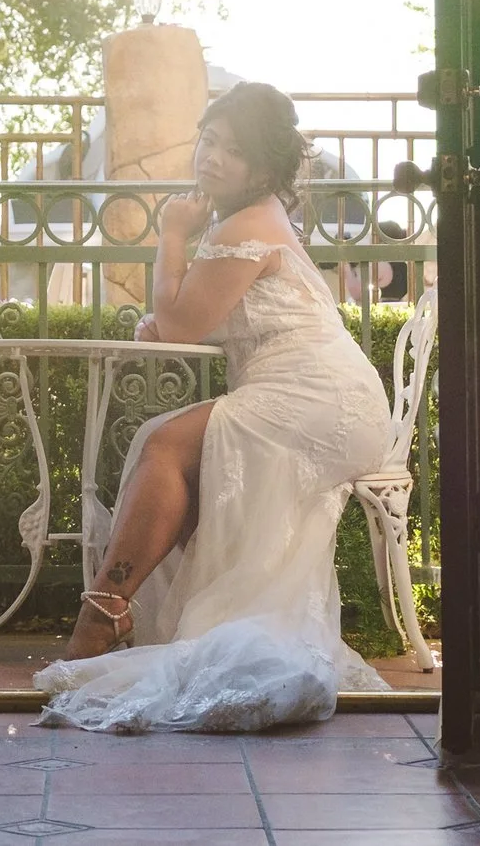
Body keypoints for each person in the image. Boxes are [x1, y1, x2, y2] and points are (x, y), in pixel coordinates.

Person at [34, 82, 395, 732]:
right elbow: (188, 317)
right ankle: (108, 609)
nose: (212, 158)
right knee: (168, 443)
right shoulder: (244, 222)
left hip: (320, 395)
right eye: (209, 139)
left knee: (166, 444)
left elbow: (177, 323)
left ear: (263, 168)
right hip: (314, 394)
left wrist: (171, 235)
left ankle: (102, 612)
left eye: (234, 150)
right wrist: (169, 314)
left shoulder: (246, 222)